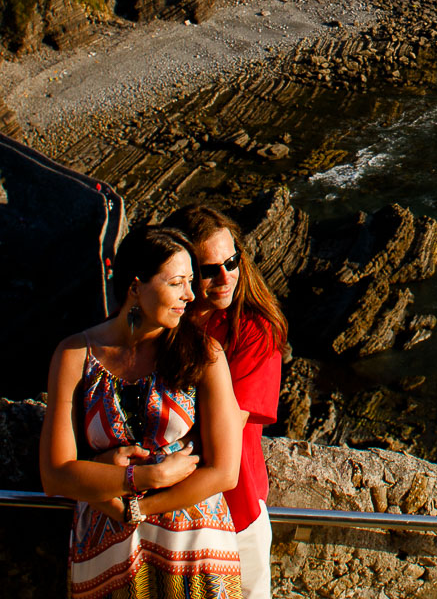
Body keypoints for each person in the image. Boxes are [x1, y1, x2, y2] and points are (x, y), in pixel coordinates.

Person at [39, 225, 246, 599]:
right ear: (136, 287)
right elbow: (55, 475)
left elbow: (224, 471)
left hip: (193, 553)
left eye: (191, 281)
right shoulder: (74, 356)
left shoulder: (205, 354)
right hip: (108, 554)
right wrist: (147, 476)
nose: (191, 294)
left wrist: (135, 505)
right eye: (178, 282)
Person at [166, 204, 287, 599]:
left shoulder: (254, 331)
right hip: (168, 515)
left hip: (235, 513)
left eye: (232, 260)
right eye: (208, 269)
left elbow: (225, 432)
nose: (225, 276)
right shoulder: (163, 322)